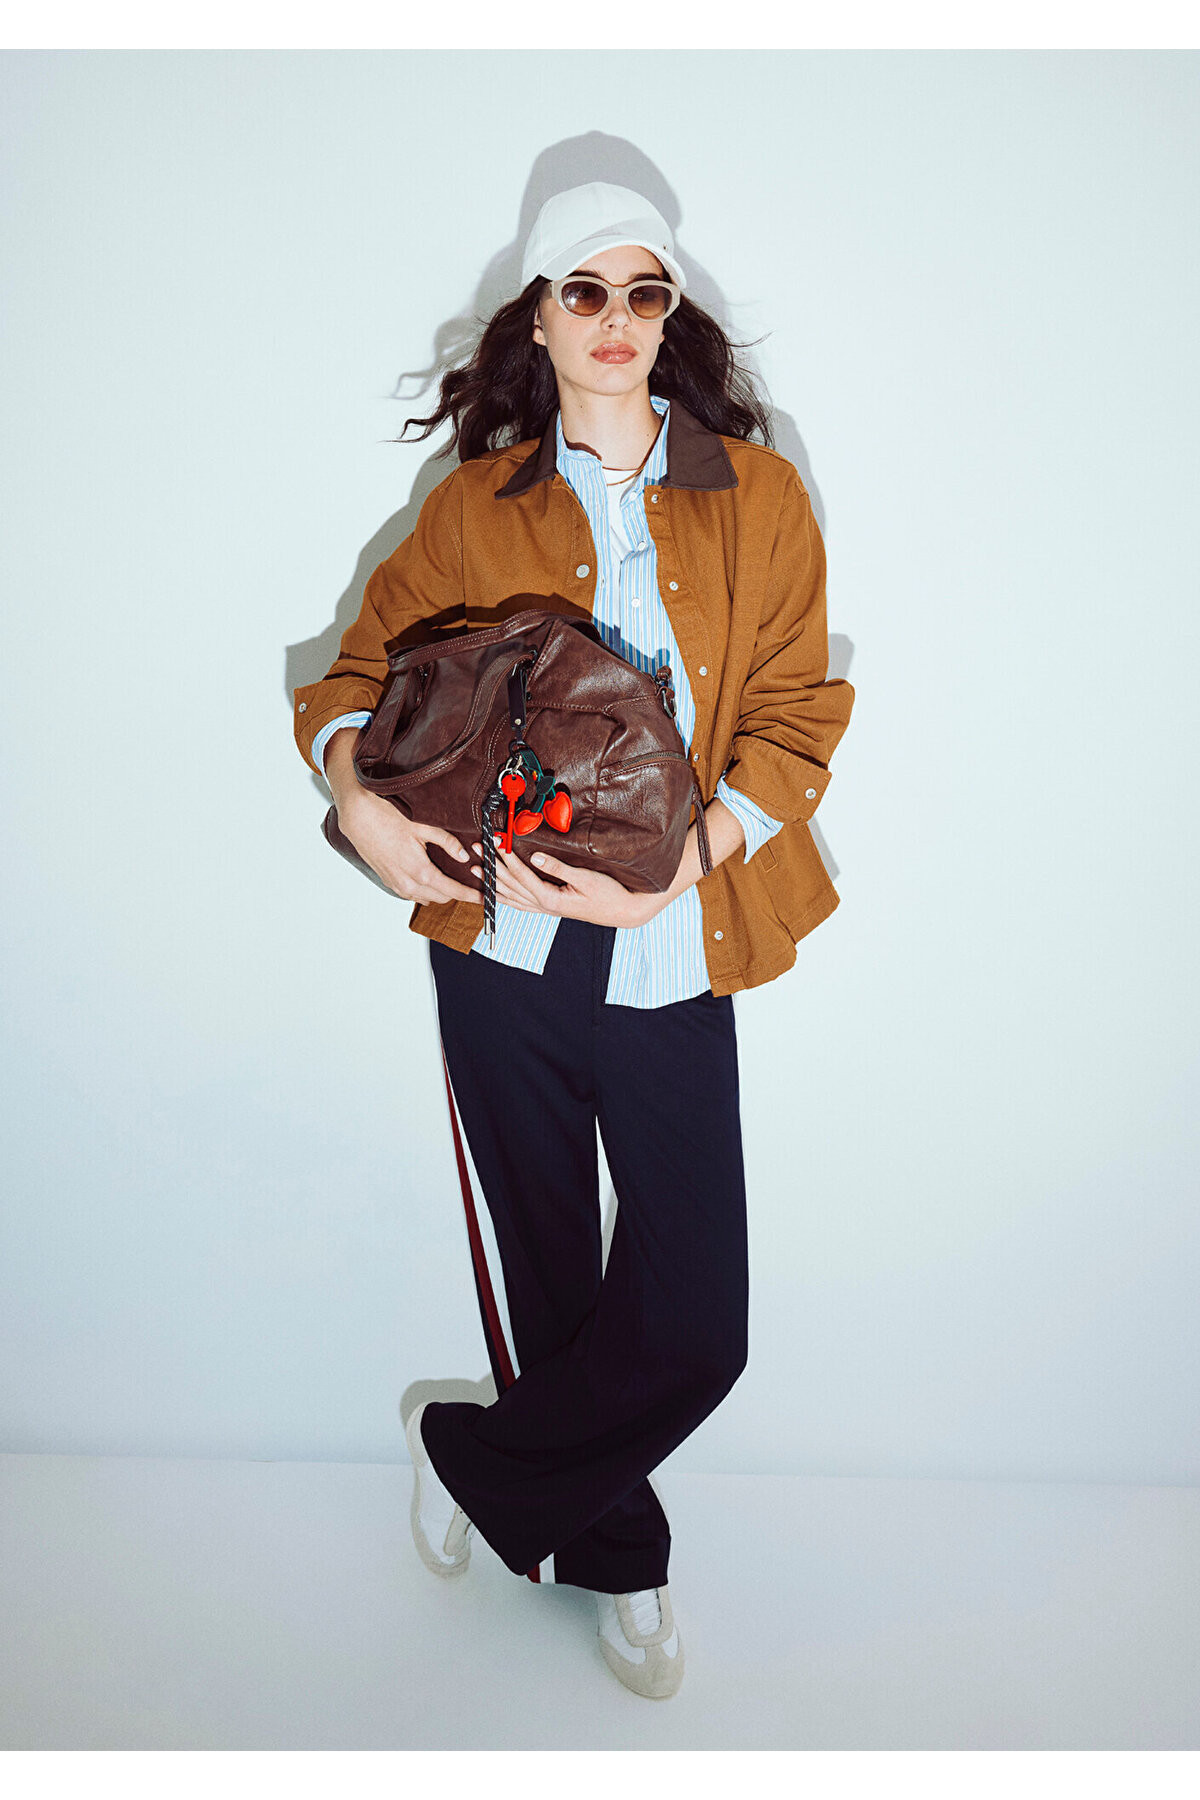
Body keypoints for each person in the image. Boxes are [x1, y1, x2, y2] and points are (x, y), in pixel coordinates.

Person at [292, 182, 855, 1699]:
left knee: (698, 1321)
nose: (616, 320)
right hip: (501, 949)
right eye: (584, 292)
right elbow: (351, 681)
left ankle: (470, 1460)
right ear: (537, 320)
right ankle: (620, 1559)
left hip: (677, 940)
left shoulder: (759, 496)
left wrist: (694, 857)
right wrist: (359, 802)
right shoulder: (473, 507)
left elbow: (800, 714)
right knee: (547, 1279)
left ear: (674, 320)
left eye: (644, 293)